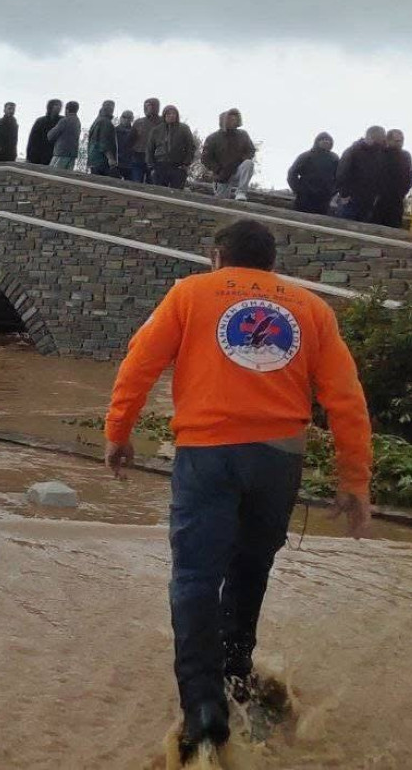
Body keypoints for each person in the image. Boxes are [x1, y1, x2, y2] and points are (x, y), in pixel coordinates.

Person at [103, 218, 371, 764]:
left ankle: (203, 707)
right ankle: (236, 675)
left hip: (207, 453)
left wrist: (119, 431)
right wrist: (354, 479)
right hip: (279, 459)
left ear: (216, 257)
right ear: (273, 265)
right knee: (250, 568)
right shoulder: (311, 308)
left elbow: (140, 363)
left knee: (195, 576)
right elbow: (346, 398)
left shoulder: (190, 293)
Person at [336, 126, 389, 222]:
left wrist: (376, 195)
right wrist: (344, 194)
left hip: (368, 200)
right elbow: (342, 172)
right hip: (351, 199)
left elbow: (381, 176)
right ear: (373, 136)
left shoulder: (381, 154)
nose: (384, 138)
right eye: (382, 136)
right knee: (345, 225)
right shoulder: (354, 150)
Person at [202, 108, 257, 200]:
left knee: (248, 163)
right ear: (224, 121)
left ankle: (241, 192)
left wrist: (240, 160)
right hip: (221, 175)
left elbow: (251, 150)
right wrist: (218, 169)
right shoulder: (213, 138)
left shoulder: (243, 135)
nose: (233, 121)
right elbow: (205, 158)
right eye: (230, 119)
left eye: (235, 119)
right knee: (221, 201)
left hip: (238, 171)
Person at [285, 132, 339, 215]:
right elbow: (292, 173)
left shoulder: (334, 159)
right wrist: (299, 190)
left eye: (328, 140)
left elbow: (339, 177)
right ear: (317, 141)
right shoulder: (306, 156)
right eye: (323, 140)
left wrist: (331, 192)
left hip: (323, 200)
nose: (326, 142)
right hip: (304, 198)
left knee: (320, 221)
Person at [146, 105, 197, 189]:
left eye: (174, 114)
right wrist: (151, 167)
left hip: (178, 166)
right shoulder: (156, 130)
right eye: (168, 114)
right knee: (159, 192)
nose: (171, 116)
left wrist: (185, 164)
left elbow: (191, 147)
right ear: (164, 115)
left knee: (176, 193)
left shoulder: (184, 129)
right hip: (160, 165)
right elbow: (149, 149)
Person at [373, 129, 411, 228]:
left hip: (397, 199)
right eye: (397, 141)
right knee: (375, 226)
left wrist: (403, 192)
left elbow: (408, 176)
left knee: (394, 226)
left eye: (401, 141)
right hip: (379, 198)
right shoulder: (379, 154)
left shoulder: (406, 156)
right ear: (388, 140)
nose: (400, 143)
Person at [130, 98, 164, 183]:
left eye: (150, 106)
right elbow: (130, 140)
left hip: (155, 158)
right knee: (136, 182)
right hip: (138, 156)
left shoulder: (163, 123)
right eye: (146, 106)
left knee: (151, 184)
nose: (147, 109)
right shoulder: (139, 122)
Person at [86, 100, 119, 177]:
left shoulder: (97, 121)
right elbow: (104, 142)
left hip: (93, 158)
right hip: (102, 160)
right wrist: (111, 158)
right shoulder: (105, 122)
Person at [26, 99, 63, 165]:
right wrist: (29, 155)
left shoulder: (62, 121)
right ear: (50, 106)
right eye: (56, 105)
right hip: (38, 154)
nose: (59, 107)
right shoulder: (40, 121)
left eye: (60, 105)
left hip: (54, 154)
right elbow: (32, 139)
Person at [47, 100, 81, 170]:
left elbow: (51, 135)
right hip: (72, 154)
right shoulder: (77, 121)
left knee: (53, 172)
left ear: (67, 110)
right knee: (66, 174)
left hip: (61, 153)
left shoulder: (64, 120)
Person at [114, 110, 138, 180]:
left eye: (129, 117)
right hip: (117, 163)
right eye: (124, 117)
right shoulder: (114, 131)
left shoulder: (135, 132)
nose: (126, 119)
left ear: (132, 119)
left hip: (130, 164)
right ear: (121, 118)